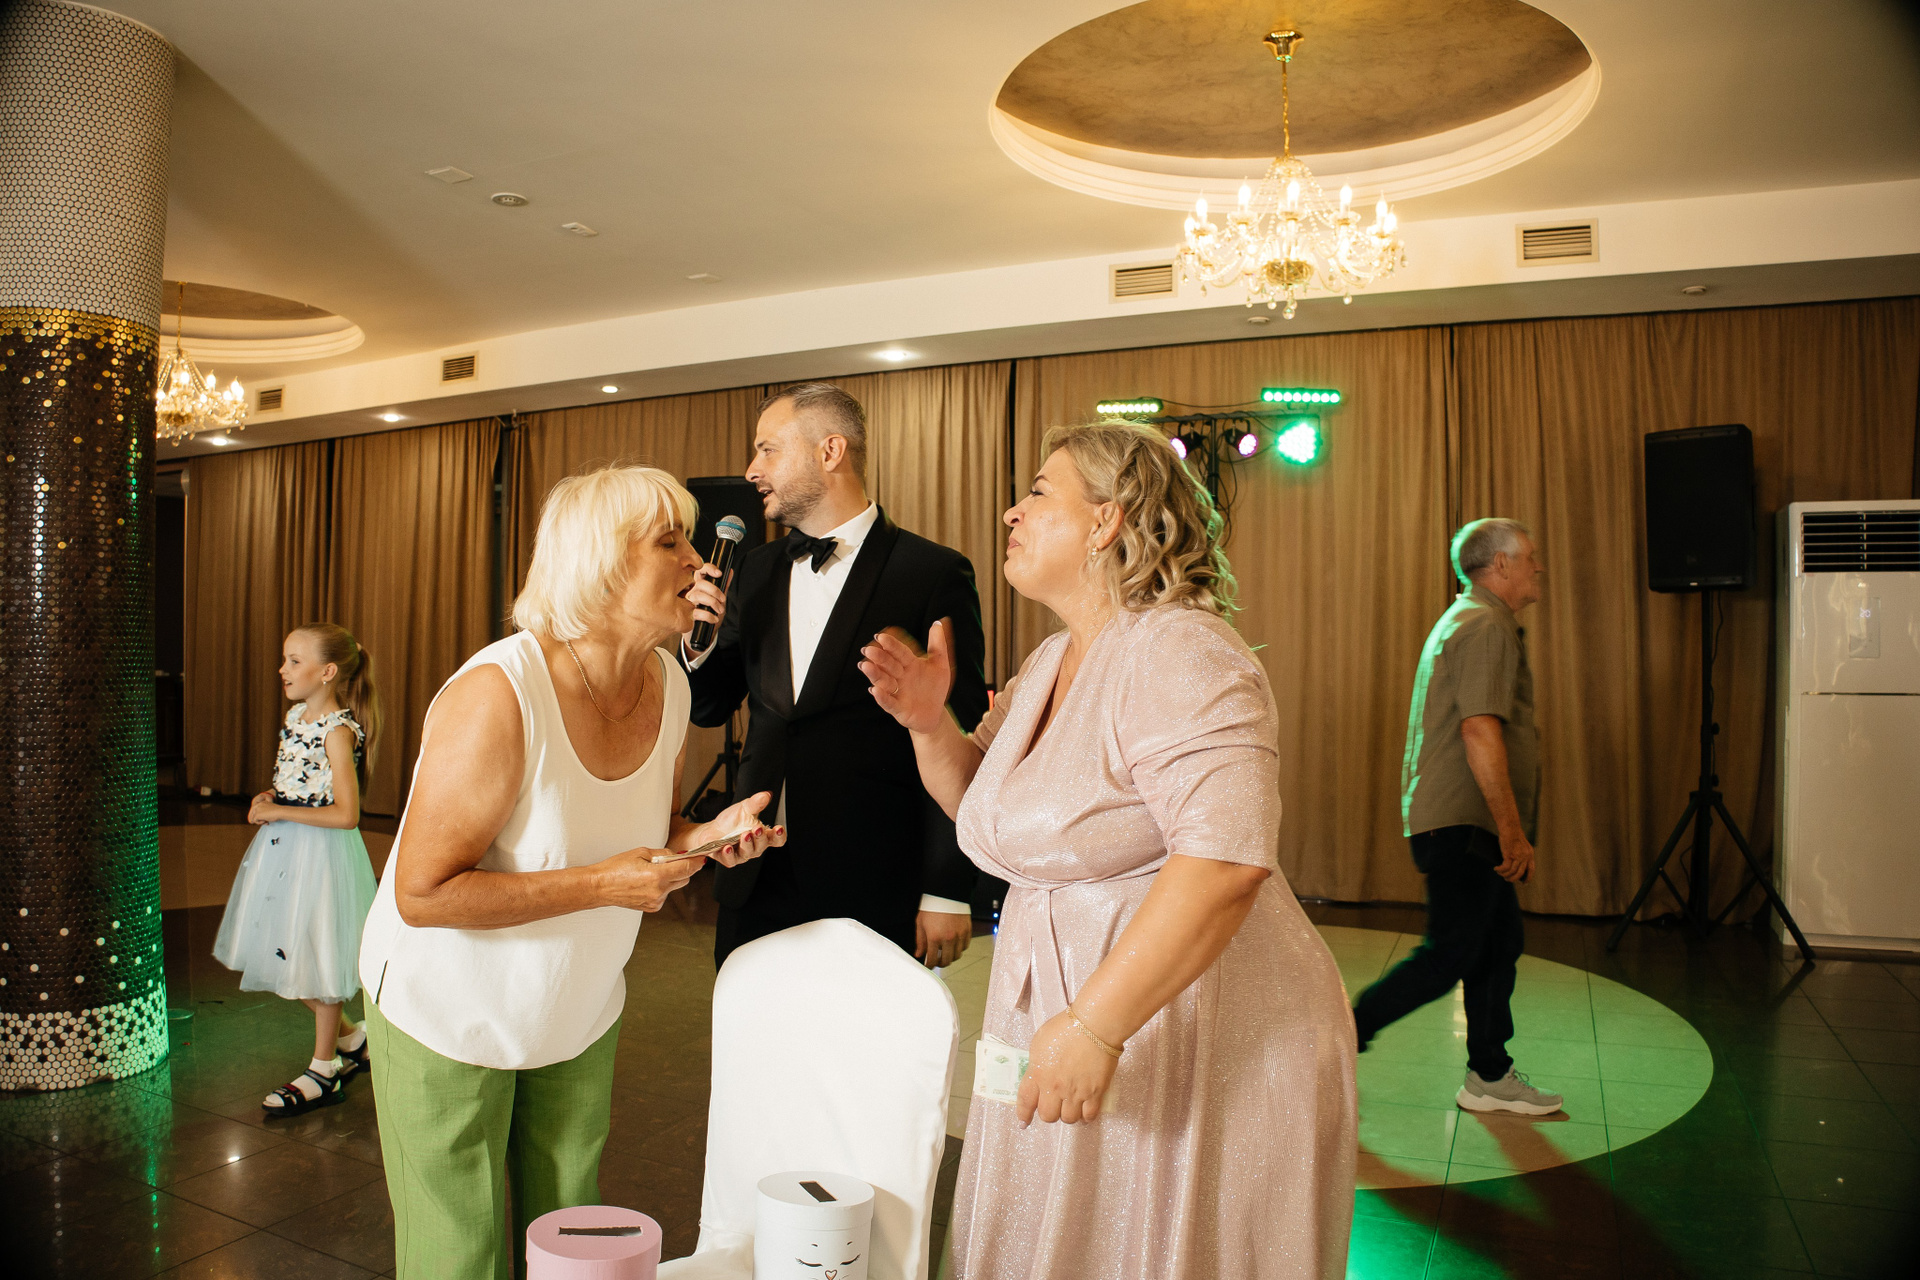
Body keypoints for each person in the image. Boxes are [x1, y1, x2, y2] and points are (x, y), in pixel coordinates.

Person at [858, 420, 1356, 1280]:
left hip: (1187, 1027)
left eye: (1038, 493)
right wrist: (929, 723)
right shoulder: (1053, 658)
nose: (1011, 512)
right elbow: (991, 806)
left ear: (1107, 519)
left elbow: (1226, 860)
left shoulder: (1182, 650)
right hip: (1073, 1010)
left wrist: (1096, 1024)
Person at [356, 466, 785, 1280]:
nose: (701, 563)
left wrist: (704, 837)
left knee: (571, 1241)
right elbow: (422, 893)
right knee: (458, 1255)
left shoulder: (669, 683)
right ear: (600, 563)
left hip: (578, 1008)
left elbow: (644, 828)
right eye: (670, 542)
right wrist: (601, 885)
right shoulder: (500, 692)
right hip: (450, 1011)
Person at [684, 382, 989, 969]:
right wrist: (694, 644)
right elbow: (709, 706)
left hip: (876, 879)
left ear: (830, 451)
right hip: (753, 872)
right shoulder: (755, 570)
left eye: (768, 450)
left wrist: (946, 887)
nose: (751, 471)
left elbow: (964, 730)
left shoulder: (931, 571)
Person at [1350, 517, 1564, 1116]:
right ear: (1500, 565)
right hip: (1467, 824)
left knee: (1498, 944)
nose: (1538, 567)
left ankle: (1489, 1073)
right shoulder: (1485, 625)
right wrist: (1512, 832)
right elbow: (1479, 729)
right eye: (1530, 557)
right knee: (1449, 955)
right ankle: (1337, 1039)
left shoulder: (1471, 618)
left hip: (1460, 822)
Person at [214, 623, 381, 1116]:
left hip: (321, 856)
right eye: (285, 659)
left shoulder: (338, 732)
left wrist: (280, 810)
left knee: (316, 955)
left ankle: (324, 1070)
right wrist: (272, 797)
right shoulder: (295, 717)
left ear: (327, 672)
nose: (281, 669)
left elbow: (346, 815)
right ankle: (350, 1038)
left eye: (294, 661)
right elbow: (302, 784)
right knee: (279, 951)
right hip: (285, 850)